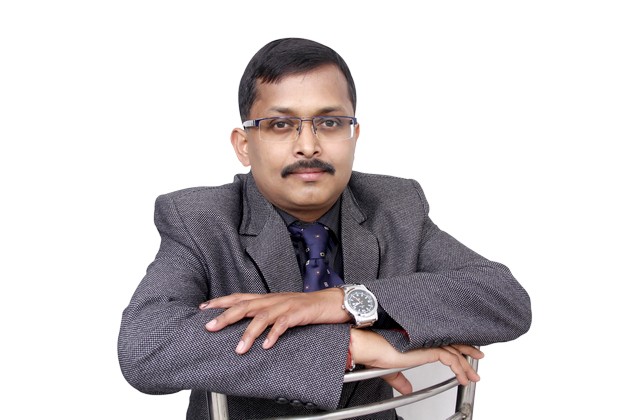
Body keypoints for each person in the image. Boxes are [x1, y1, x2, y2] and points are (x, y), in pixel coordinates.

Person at [118, 37, 531, 420]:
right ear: (244, 144)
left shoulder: (396, 205)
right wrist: (350, 346)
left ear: (354, 135)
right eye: (280, 125)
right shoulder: (199, 218)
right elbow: (146, 345)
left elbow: (503, 298)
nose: (308, 146)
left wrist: (342, 302)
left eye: (330, 122)